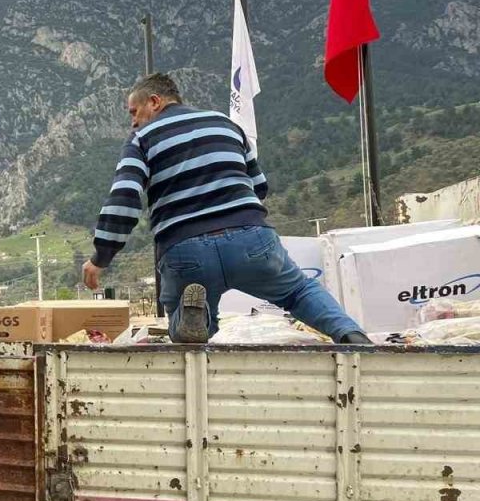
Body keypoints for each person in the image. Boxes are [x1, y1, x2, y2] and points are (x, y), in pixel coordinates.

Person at [82, 73, 371, 344]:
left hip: (185, 248)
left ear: (154, 101)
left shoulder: (142, 139)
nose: (133, 122)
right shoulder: (225, 124)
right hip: (251, 239)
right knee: (298, 291)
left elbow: (125, 198)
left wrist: (100, 258)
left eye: (134, 112)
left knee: (184, 316)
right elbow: (259, 186)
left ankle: (194, 319)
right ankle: (351, 335)